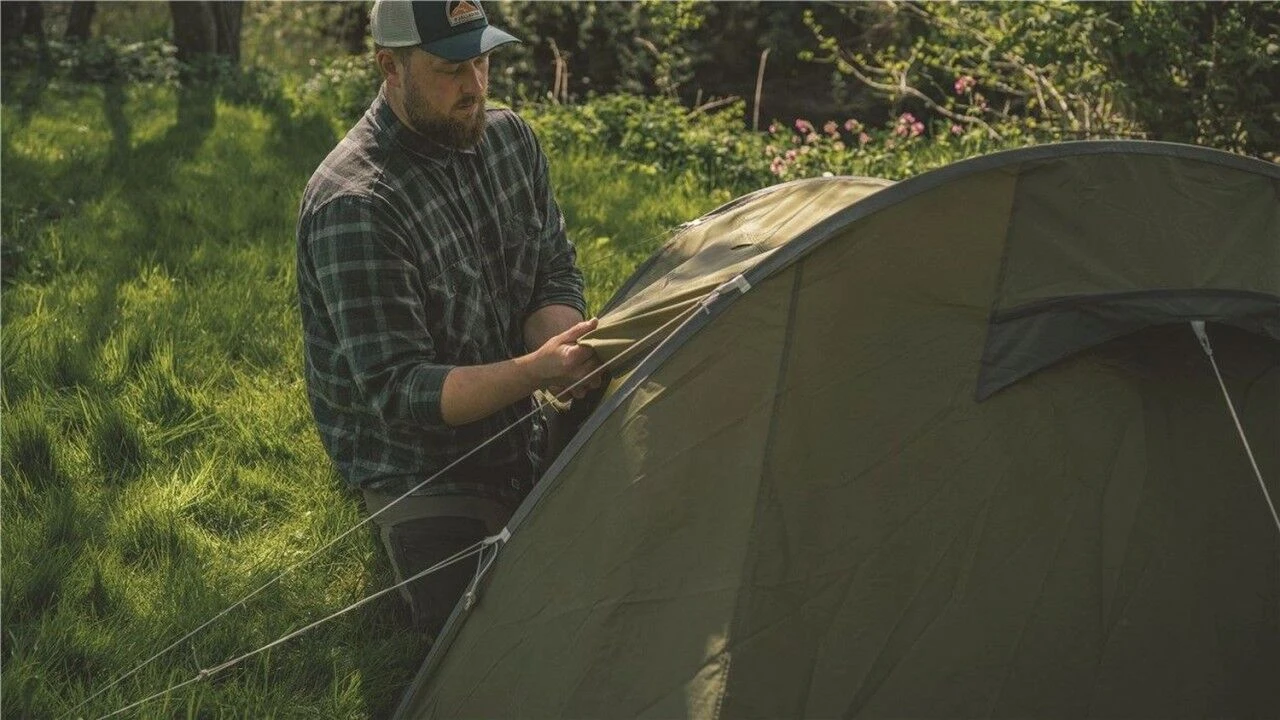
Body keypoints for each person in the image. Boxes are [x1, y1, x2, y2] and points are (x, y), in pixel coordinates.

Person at [295, 0, 600, 640]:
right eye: (450, 69)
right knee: (497, 635)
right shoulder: (356, 204)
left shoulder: (511, 140)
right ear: (390, 67)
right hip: (422, 466)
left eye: (482, 61)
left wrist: (559, 351)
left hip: (523, 413)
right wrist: (536, 372)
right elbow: (401, 391)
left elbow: (552, 268)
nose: (475, 85)